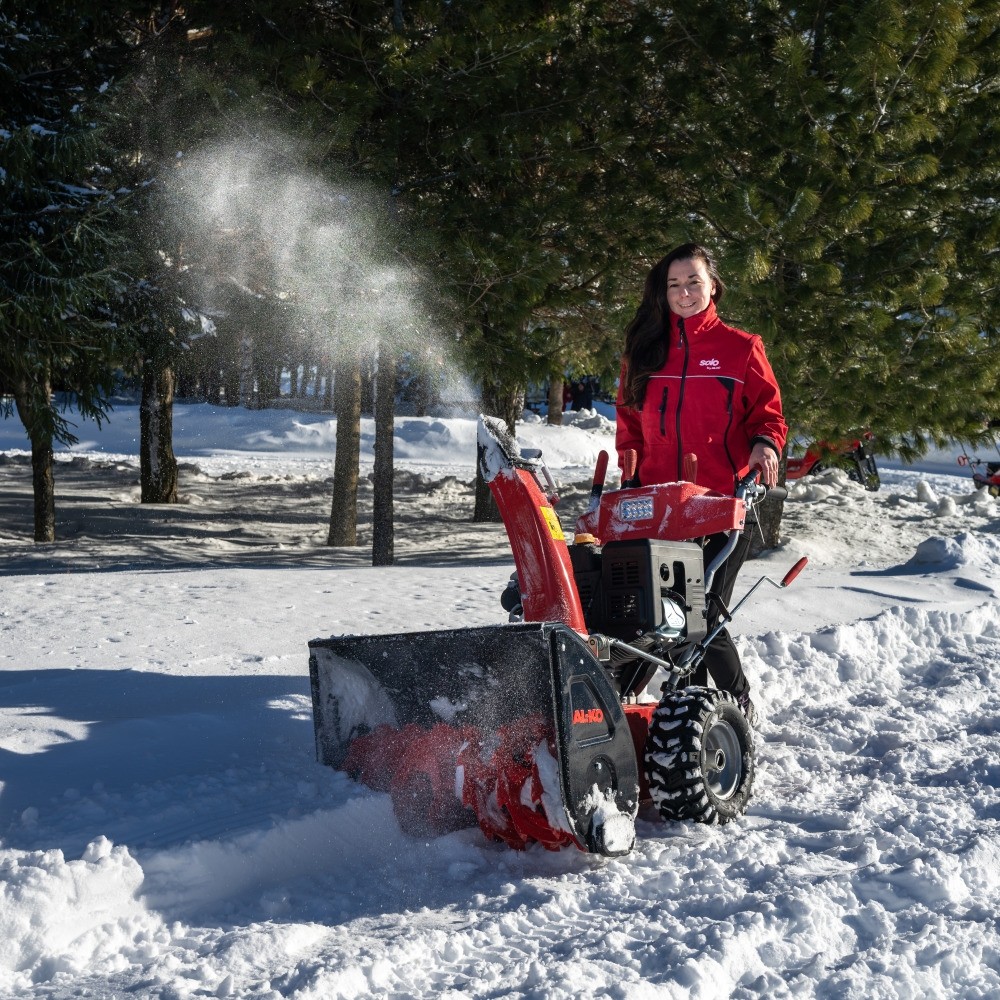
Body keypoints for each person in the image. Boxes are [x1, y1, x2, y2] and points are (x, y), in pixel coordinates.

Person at [615, 243, 787, 726]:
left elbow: (769, 415)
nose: (684, 292)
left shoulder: (740, 348)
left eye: (693, 281)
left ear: (713, 284)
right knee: (658, 617)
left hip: (720, 506)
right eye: (674, 284)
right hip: (656, 507)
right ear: (662, 292)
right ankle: (678, 717)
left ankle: (735, 709)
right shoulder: (645, 350)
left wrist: (765, 446)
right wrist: (629, 475)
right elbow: (628, 421)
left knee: (702, 615)